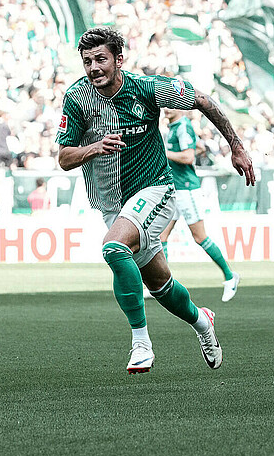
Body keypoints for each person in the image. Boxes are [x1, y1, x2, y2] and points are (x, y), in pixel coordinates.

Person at [57, 27, 256, 375]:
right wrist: (95, 147)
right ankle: (203, 322)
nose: (93, 68)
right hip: (112, 206)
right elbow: (64, 157)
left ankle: (141, 343)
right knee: (160, 285)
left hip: (157, 190)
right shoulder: (76, 99)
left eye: (100, 59)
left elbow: (202, 100)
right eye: (87, 61)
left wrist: (235, 146)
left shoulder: (147, 88)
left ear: (119, 59)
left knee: (113, 248)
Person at [158, 108, 240, 302]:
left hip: (187, 190)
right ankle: (163, 284)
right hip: (175, 189)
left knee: (200, 237)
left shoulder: (183, 125)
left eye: (170, 105)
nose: (166, 109)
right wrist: (197, 146)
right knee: (161, 236)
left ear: (180, 108)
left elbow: (187, 157)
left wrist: (164, 152)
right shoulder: (176, 127)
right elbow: (198, 148)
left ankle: (230, 276)